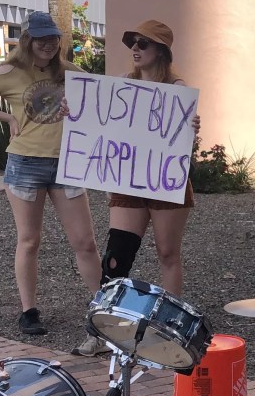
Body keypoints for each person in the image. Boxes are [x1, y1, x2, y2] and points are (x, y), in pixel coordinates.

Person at [0, 11, 101, 336]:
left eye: (52, 38)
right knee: (30, 240)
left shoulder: (72, 73)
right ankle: (29, 311)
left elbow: (99, 106)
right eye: (41, 38)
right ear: (28, 40)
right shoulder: (9, 72)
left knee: (85, 242)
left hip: (67, 164)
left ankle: (101, 307)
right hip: (25, 164)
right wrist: (7, 119)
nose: (48, 44)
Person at [73, 19, 198, 356]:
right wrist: (77, 115)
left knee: (167, 253)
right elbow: (99, 123)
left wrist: (191, 125)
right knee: (116, 256)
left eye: (144, 42)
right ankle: (102, 330)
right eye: (133, 43)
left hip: (164, 180)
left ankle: (171, 328)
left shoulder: (177, 88)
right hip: (128, 180)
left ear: (162, 51)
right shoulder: (122, 86)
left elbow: (182, 138)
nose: (136, 49)